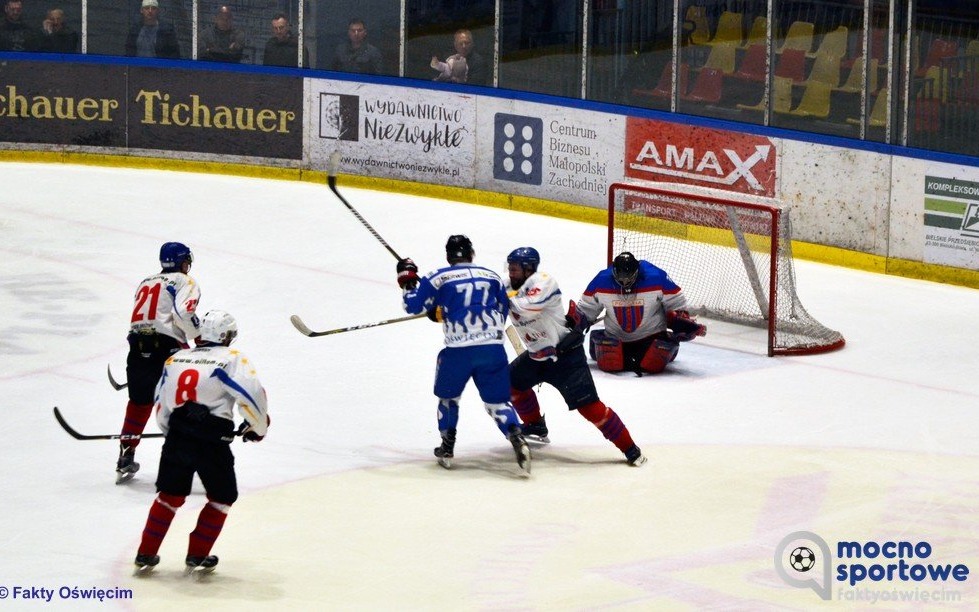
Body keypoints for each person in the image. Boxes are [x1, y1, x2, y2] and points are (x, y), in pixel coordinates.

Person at [133, 310, 269, 574]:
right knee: (222, 496)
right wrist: (257, 427)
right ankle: (197, 554)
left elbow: (160, 402)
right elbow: (251, 394)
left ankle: (145, 552)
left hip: (178, 436)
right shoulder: (230, 359)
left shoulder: (175, 359)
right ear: (226, 336)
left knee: (169, 496)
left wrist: (172, 432)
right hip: (212, 441)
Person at [396, 235, 531, 476]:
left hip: (458, 352)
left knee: (449, 399)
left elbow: (413, 306)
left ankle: (447, 448)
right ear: (472, 254)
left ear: (448, 257)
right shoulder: (492, 277)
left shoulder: (438, 277)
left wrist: (408, 280)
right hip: (492, 349)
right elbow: (501, 312)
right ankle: (517, 438)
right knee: (498, 403)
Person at [505, 247, 647, 466]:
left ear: (529, 269)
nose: (511, 272)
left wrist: (498, 297)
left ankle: (631, 449)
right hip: (536, 357)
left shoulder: (544, 283)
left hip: (566, 357)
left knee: (590, 408)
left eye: (515, 269)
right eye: (510, 268)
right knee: (511, 383)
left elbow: (527, 308)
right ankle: (535, 425)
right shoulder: (506, 288)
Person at [115, 242, 202, 484]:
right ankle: (189, 456)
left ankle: (126, 452)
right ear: (183, 262)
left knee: (139, 403)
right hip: (167, 349)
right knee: (187, 399)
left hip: (137, 347)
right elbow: (183, 314)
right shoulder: (185, 282)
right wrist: (199, 336)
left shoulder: (146, 282)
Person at [572, 252, 706, 376]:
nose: (625, 283)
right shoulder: (601, 280)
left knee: (654, 363)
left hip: (651, 335)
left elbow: (676, 302)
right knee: (609, 363)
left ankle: (667, 341)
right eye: (621, 280)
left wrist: (681, 322)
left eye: (628, 279)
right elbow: (586, 309)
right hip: (616, 337)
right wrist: (574, 326)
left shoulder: (655, 276)